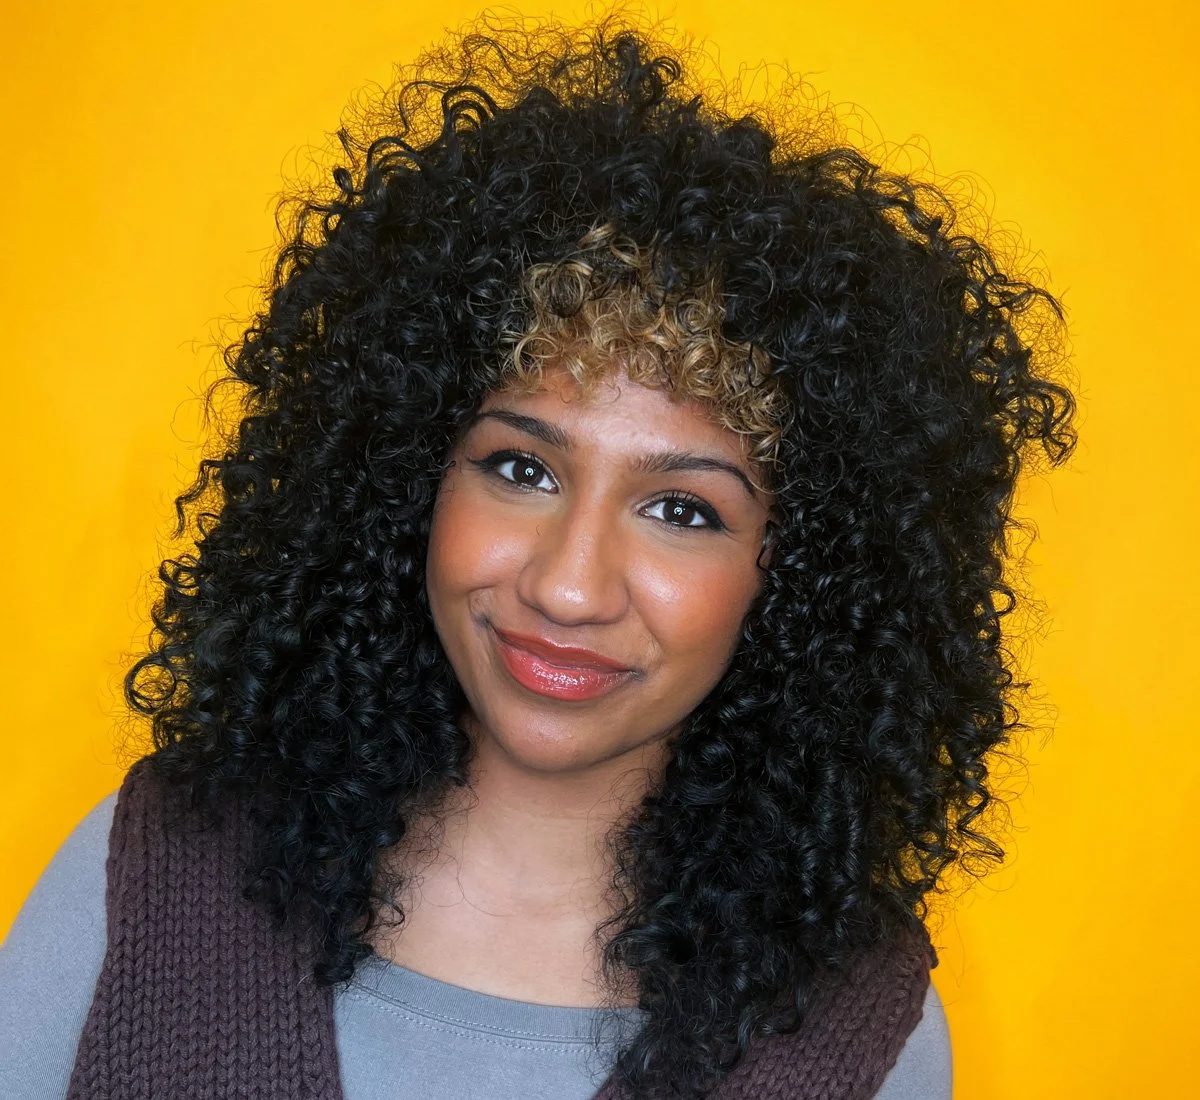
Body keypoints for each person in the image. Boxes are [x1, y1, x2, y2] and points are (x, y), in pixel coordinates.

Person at [0, 14, 1077, 1100]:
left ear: (802, 579)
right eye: (522, 468)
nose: (567, 586)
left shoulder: (866, 1035)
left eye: (682, 509)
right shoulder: (146, 876)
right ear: (404, 477)